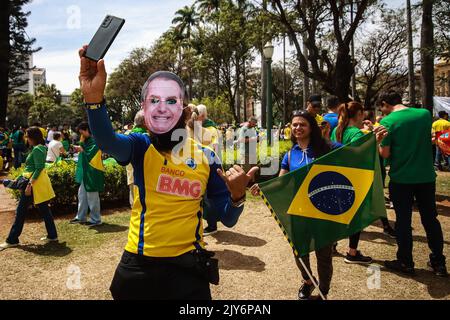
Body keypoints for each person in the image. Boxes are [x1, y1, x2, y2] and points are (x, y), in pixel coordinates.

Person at [78, 45, 258, 300]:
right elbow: (107, 141)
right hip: (140, 264)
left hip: (186, 269)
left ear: (184, 112)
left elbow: (226, 219)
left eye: (171, 103)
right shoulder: (141, 146)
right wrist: (94, 100)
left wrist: (238, 196)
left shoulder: (207, 157)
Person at [251, 110, 345, 300]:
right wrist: (263, 187)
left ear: (311, 127)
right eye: (294, 125)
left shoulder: (327, 147)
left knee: (324, 255)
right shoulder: (290, 154)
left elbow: (352, 153)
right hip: (298, 209)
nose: (297, 128)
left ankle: (323, 291)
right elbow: (282, 180)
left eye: (302, 124)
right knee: (299, 251)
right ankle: (308, 281)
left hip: (323, 210)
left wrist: (372, 143)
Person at [378, 90, 447, 277]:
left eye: (382, 108)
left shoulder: (387, 122)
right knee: (430, 219)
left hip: (401, 178)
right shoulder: (424, 114)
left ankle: (406, 261)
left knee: (403, 221)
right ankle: (439, 262)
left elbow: (385, 154)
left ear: (385, 104)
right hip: (425, 176)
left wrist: (378, 141)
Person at [331, 101, 389, 264]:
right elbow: (359, 156)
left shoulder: (336, 130)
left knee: (338, 213)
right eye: (362, 112)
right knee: (356, 216)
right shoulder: (356, 133)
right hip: (353, 179)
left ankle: (332, 244)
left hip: (338, 176)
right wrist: (375, 142)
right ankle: (352, 253)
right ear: (358, 114)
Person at [0, 127, 58, 251]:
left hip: (32, 185)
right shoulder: (40, 148)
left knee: (20, 212)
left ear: (33, 137)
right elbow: (34, 168)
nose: (26, 138)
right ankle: (52, 236)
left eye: (27, 136)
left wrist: (29, 185)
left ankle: (12, 240)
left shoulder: (37, 149)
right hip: (36, 184)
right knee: (45, 211)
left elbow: (38, 168)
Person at [69, 122, 105, 227]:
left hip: (93, 171)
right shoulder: (87, 140)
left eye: (82, 132)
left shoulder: (95, 140)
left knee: (92, 196)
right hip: (87, 171)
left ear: (87, 130)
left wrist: (81, 149)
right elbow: (85, 151)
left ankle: (96, 219)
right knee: (82, 195)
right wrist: (80, 146)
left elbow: (90, 154)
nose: (82, 135)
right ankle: (81, 217)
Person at [125, 110, 147, 208]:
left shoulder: (128, 135)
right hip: (144, 174)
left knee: (134, 199)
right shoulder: (147, 136)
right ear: (145, 122)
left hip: (131, 171)